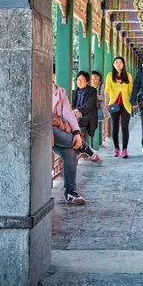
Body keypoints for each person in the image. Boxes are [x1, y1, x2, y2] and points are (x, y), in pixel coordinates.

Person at [52, 66, 100, 205]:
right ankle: (85, 147)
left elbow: (67, 112)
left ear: (53, 74)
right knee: (49, 129)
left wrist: (77, 133)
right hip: (45, 131)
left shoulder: (60, 92)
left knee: (70, 154)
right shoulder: (33, 89)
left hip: (61, 131)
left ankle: (70, 193)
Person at [104, 56, 133, 158]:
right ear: (113, 64)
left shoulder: (128, 76)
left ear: (123, 64)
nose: (119, 64)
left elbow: (131, 90)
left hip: (125, 105)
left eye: (120, 62)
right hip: (114, 104)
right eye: (116, 62)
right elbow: (107, 90)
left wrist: (133, 102)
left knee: (125, 127)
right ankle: (116, 148)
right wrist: (107, 102)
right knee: (115, 127)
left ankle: (124, 150)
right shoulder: (110, 75)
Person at [72, 70, 99, 142]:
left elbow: (90, 104)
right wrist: (76, 112)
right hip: (76, 114)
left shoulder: (92, 91)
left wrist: (79, 110)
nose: (80, 82)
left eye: (82, 80)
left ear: (87, 82)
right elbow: (72, 105)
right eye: (78, 79)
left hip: (88, 116)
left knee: (78, 121)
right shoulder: (74, 92)